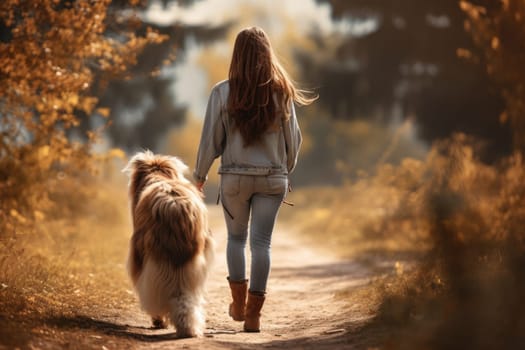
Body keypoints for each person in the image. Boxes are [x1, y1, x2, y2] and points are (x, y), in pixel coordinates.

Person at [193, 26, 316, 332]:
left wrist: (199, 176)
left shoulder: (221, 92)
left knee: (236, 240)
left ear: (237, 55)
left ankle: (237, 304)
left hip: (234, 178)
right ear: (266, 53)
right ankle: (253, 316)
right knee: (262, 244)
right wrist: (283, 170)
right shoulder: (282, 91)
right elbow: (294, 141)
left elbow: (210, 141)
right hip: (273, 178)